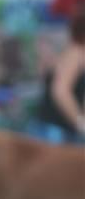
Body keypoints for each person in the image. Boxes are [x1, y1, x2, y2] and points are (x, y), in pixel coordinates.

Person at [35, 8, 85, 143]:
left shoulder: (71, 51)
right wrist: (80, 122)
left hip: (52, 126)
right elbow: (61, 91)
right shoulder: (77, 54)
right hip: (57, 131)